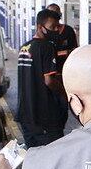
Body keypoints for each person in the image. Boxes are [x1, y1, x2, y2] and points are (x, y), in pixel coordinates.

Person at [17, 9, 68, 147]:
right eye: (52, 27)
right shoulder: (47, 47)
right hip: (44, 115)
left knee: (33, 154)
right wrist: (65, 94)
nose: (56, 30)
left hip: (26, 113)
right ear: (40, 27)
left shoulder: (24, 47)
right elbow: (49, 80)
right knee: (52, 156)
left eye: (58, 27)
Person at [46, 3, 78, 75]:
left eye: (57, 14)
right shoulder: (44, 31)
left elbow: (75, 50)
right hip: (48, 70)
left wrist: (66, 52)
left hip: (65, 69)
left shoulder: (68, 30)